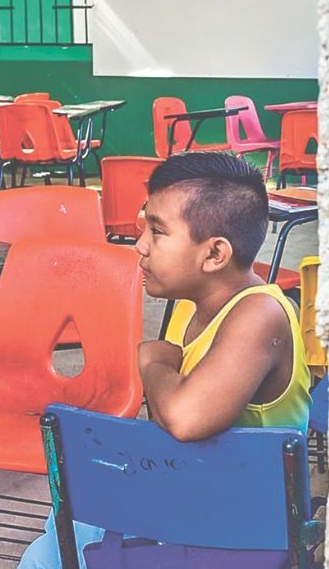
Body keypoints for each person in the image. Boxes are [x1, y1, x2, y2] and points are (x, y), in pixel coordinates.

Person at [19, 151, 313, 569]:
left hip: (246, 521)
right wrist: (165, 376)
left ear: (214, 254)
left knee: (72, 530)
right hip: (194, 491)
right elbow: (164, 414)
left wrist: (154, 366)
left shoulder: (260, 314)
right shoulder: (188, 306)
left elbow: (184, 418)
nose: (140, 246)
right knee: (60, 528)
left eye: (157, 232)